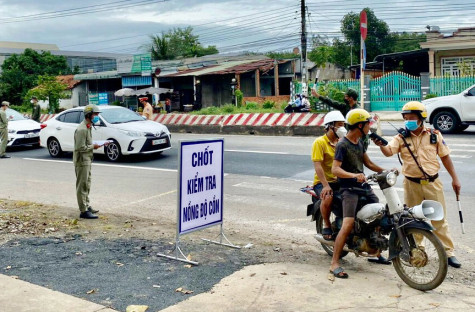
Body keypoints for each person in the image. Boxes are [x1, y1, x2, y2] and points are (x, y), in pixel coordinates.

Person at [372, 101, 462, 268]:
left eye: (412, 117)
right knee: (411, 219)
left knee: (439, 218)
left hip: (432, 183)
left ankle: (449, 253)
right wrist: (381, 145)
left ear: (421, 118)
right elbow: (388, 151)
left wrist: (455, 178)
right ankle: (418, 249)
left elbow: (445, 157)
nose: (408, 121)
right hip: (411, 184)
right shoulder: (400, 137)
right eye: (406, 118)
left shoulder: (434, 135)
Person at [330, 109, 388, 278]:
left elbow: (367, 162)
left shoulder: (360, 141)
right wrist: (354, 175)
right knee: (348, 223)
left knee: (379, 214)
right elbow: (335, 169)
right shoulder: (343, 144)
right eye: (368, 124)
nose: (370, 127)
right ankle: (334, 263)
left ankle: (375, 250)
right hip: (349, 189)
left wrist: (385, 171)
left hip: (364, 187)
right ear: (360, 125)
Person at [312, 111, 347, 240]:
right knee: (328, 196)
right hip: (323, 182)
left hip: (339, 180)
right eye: (339, 125)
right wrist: (326, 185)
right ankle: (326, 224)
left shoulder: (342, 142)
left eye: (343, 125)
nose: (342, 128)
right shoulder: (319, 142)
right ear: (330, 126)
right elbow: (318, 166)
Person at [74, 104, 107, 219]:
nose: (97, 116)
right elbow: (80, 148)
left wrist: (94, 145)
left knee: (87, 184)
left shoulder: (88, 126)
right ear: (89, 115)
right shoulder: (82, 129)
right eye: (95, 114)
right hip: (82, 160)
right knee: (82, 185)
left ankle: (86, 205)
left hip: (87, 159)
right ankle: (83, 211)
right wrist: (94, 146)